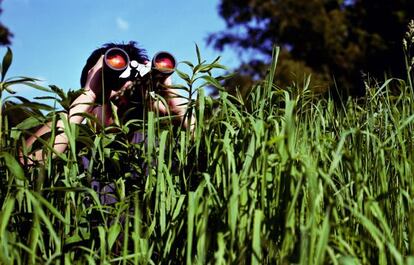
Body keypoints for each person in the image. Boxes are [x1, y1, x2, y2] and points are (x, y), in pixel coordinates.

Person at [22, 41, 191, 163]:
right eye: (115, 103)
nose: (124, 104)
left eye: (131, 102)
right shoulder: (72, 139)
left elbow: (209, 159)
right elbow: (26, 170)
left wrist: (176, 108)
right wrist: (88, 95)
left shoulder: (160, 141)